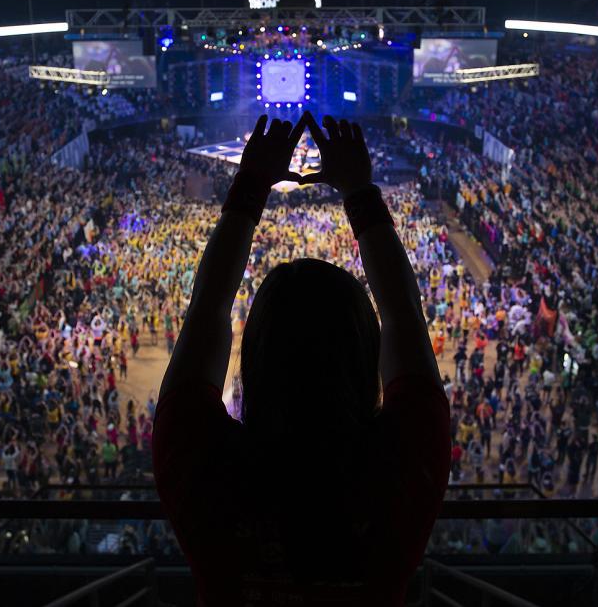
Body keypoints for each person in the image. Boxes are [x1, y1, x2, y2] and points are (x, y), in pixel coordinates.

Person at [153, 114, 449, 605]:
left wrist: (251, 184)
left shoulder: (201, 464)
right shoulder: (405, 463)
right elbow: (403, 316)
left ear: (254, 357)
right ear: (365, 358)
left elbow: (206, 310)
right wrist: (359, 191)